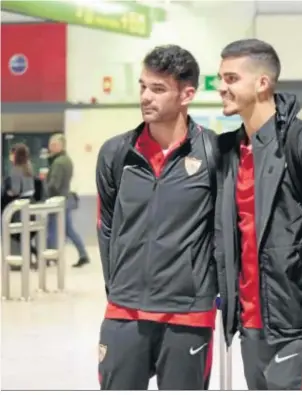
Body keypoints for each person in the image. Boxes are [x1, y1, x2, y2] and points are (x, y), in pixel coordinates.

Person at [214, 39, 302, 390]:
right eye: (220, 78)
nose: (221, 88)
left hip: (295, 323)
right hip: (249, 324)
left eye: (231, 79)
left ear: (262, 83)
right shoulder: (231, 151)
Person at [95, 45, 218, 390]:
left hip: (189, 315)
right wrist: (119, 284)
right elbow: (106, 228)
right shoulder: (116, 154)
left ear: (187, 94)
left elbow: (221, 233)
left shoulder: (213, 155)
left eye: (158, 89)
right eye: (143, 86)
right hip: (124, 311)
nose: (146, 97)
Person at [46, 133, 90, 268]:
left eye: (53, 145)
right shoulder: (66, 160)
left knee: (52, 229)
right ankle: (83, 254)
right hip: (66, 199)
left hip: (58, 200)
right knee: (68, 229)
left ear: (60, 145)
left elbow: (54, 184)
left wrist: (46, 191)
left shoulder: (58, 162)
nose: (50, 147)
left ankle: (50, 257)